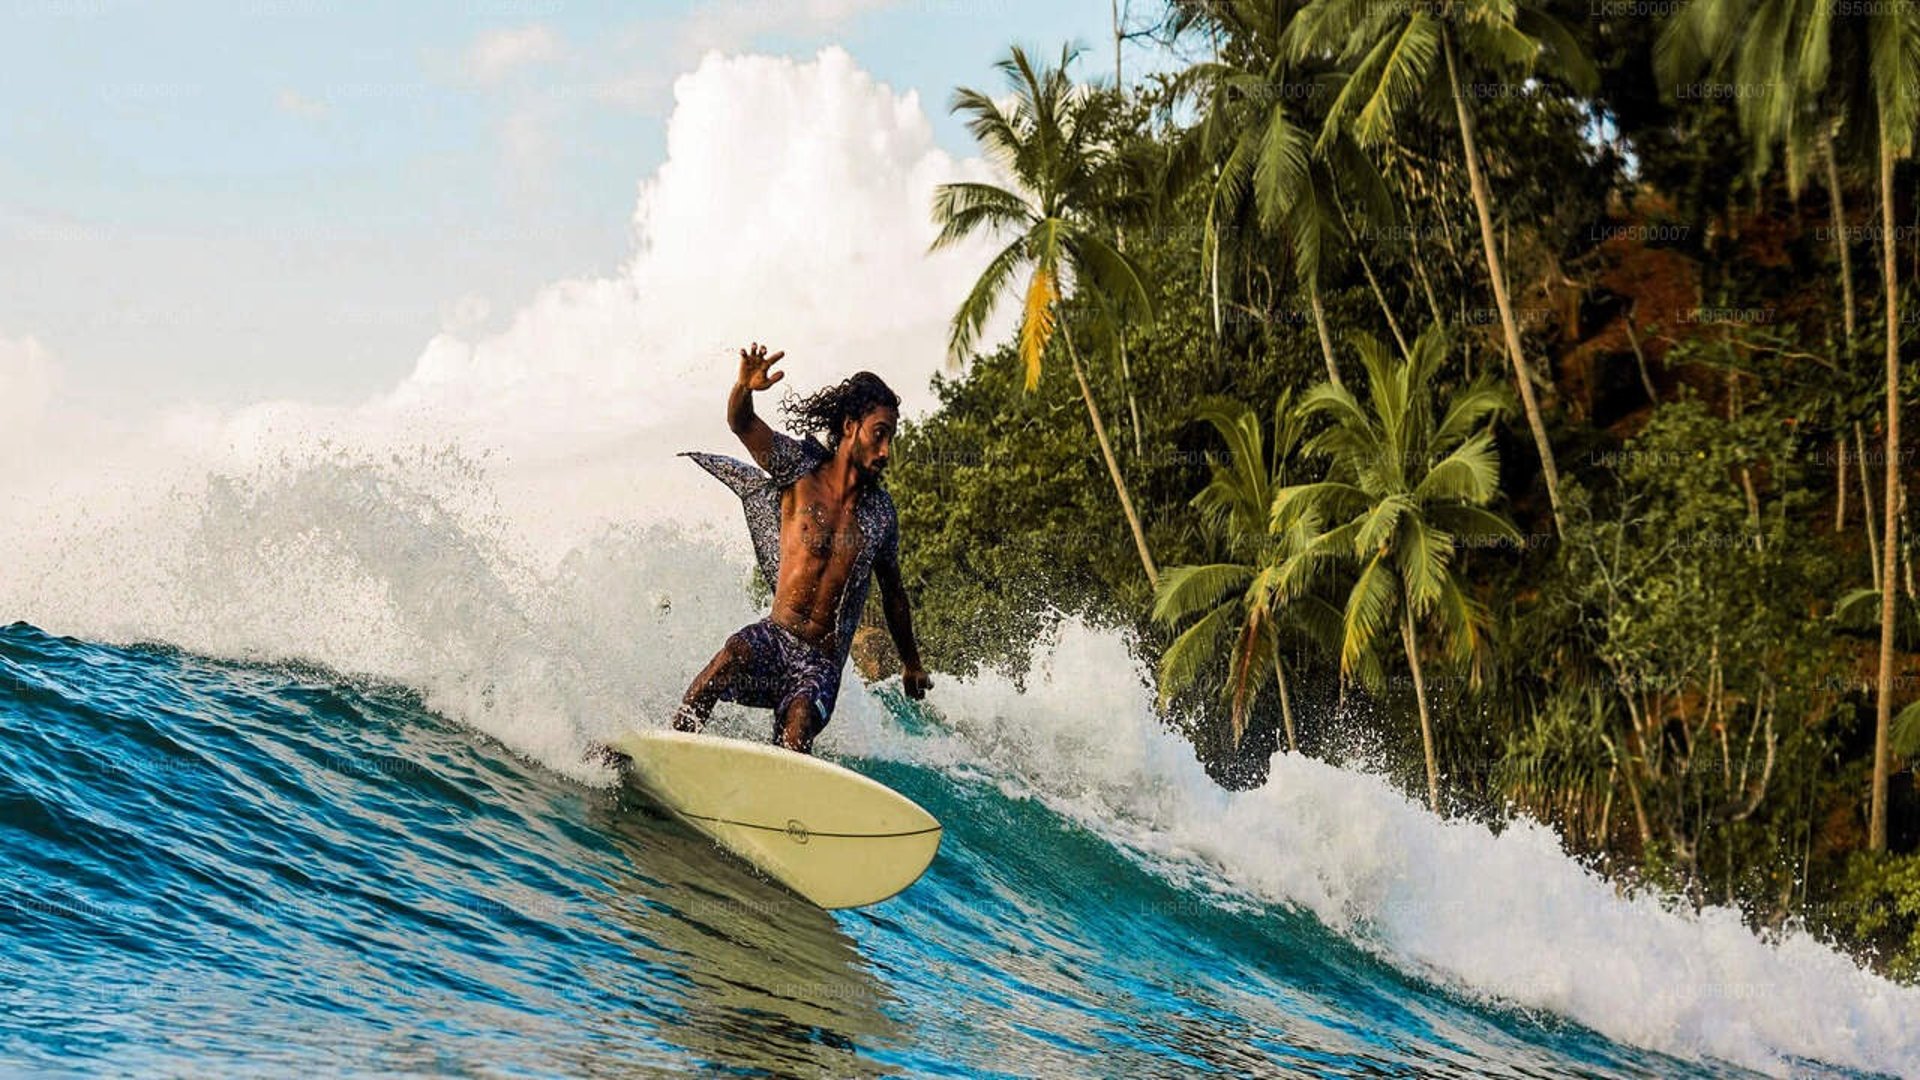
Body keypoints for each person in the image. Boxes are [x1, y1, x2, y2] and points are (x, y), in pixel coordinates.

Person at [672, 343, 930, 753]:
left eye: (890, 440)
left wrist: (911, 662)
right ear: (850, 426)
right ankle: (675, 748)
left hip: (820, 665)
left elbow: (894, 594)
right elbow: (741, 423)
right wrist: (744, 387)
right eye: (879, 435)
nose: (886, 452)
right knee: (730, 656)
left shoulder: (881, 514)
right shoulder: (797, 467)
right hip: (774, 639)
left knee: (799, 720)